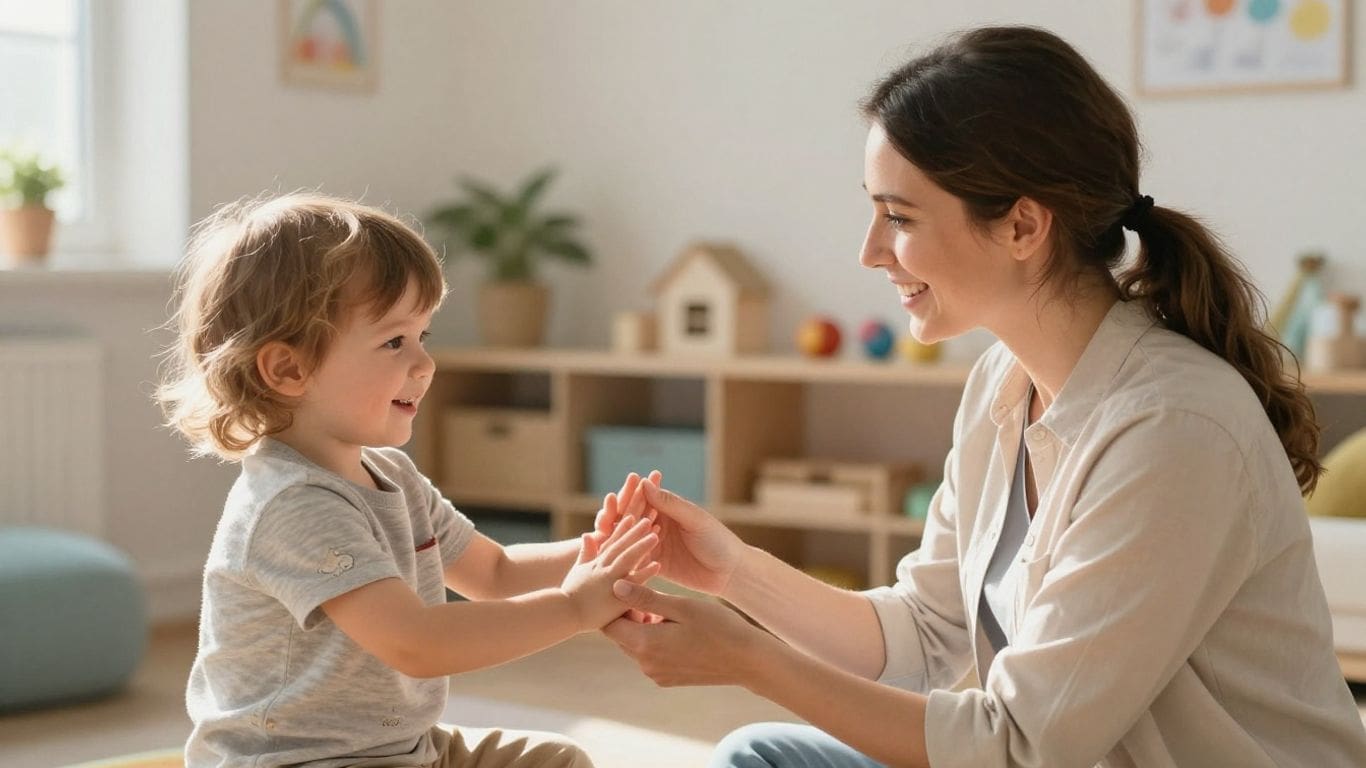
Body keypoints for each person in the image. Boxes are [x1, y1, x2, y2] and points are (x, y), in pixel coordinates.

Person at [600, 26, 1366, 768]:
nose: (868, 251)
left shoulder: (1173, 428)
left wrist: (747, 657)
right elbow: (922, 636)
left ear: (1024, 225)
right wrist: (733, 573)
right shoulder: (1002, 384)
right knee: (761, 755)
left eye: (898, 217)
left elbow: (1017, 746)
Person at [157, 193, 662, 768]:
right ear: (289, 368)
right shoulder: (292, 505)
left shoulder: (391, 474)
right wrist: (574, 609)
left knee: (556, 761)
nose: (425, 364)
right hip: (300, 762)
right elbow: (416, 643)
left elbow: (495, 573)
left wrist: (616, 551)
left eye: (424, 336)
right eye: (395, 341)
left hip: (401, 750)